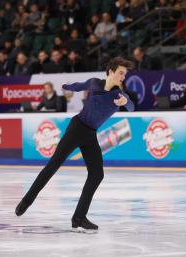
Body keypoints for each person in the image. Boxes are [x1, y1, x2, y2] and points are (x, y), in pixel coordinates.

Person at [15, 57, 135, 231]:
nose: (123, 77)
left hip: (90, 134)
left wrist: (126, 103)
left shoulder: (119, 95)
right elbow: (80, 86)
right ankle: (26, 201)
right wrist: (67, 87)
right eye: (121, 73)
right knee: (53, 165)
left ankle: (79, 217)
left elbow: (131, 106)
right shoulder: (95, 83)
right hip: (77, 128)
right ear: (110, 71)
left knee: (97, 174)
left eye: (125, 74)